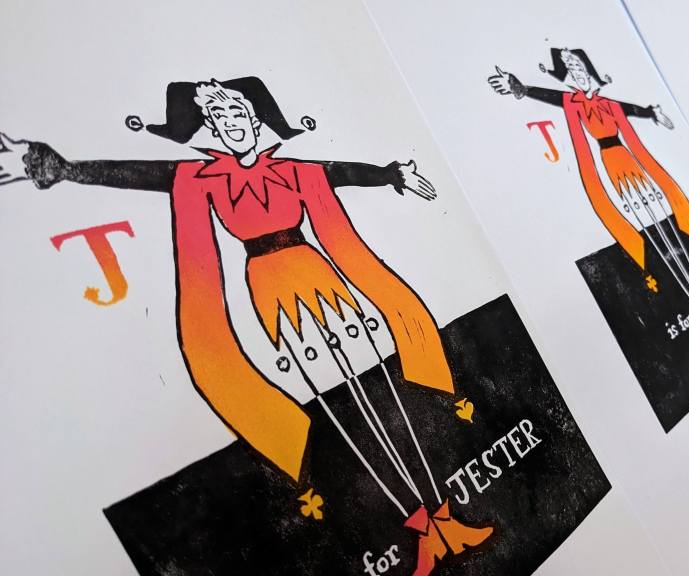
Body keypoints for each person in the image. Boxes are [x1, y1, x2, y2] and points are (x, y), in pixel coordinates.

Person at [0, 76, 491, 576]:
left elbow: (340, 172)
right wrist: (62, 169)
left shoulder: (294, 169)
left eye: (237, 112)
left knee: (381, 393)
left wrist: (390, 174)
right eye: (220, 117)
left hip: (322, 277)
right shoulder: (201, 178)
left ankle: (445, 519)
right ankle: (423, 533)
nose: (231, 123)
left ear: (255, 120)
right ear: (212, 130)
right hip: (271, 289)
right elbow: (142, 174)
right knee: (336, 411)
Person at [488, 48, 689, 344]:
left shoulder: (609, 103)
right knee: (649, 232)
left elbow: (631, 109)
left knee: (668, 228)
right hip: (612, 167)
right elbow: (550, 96)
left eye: (577, 64)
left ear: (588, 67)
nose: (576, 71)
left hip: (633, 163)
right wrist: (521, 88)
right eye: (569, 69)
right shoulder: (573, 102)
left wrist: (652, 113)